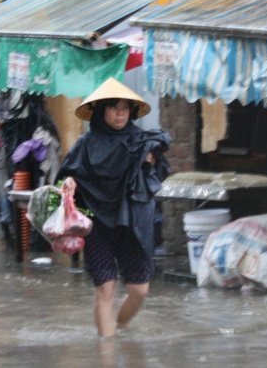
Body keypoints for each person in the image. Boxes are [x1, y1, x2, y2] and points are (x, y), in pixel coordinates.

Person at [57, 77, 170, 338]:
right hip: (96, 225)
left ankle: (119, 328)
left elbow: (160, 171)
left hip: (131, 222)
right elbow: (69, 174)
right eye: (113, 106)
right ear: (101, 111)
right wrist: (71, 182)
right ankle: (106, 351)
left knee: (139, 290)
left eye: (125, 107)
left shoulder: (142, 141)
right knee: (106, 288)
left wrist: (151, 161)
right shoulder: (86, 144)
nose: (120, 112)